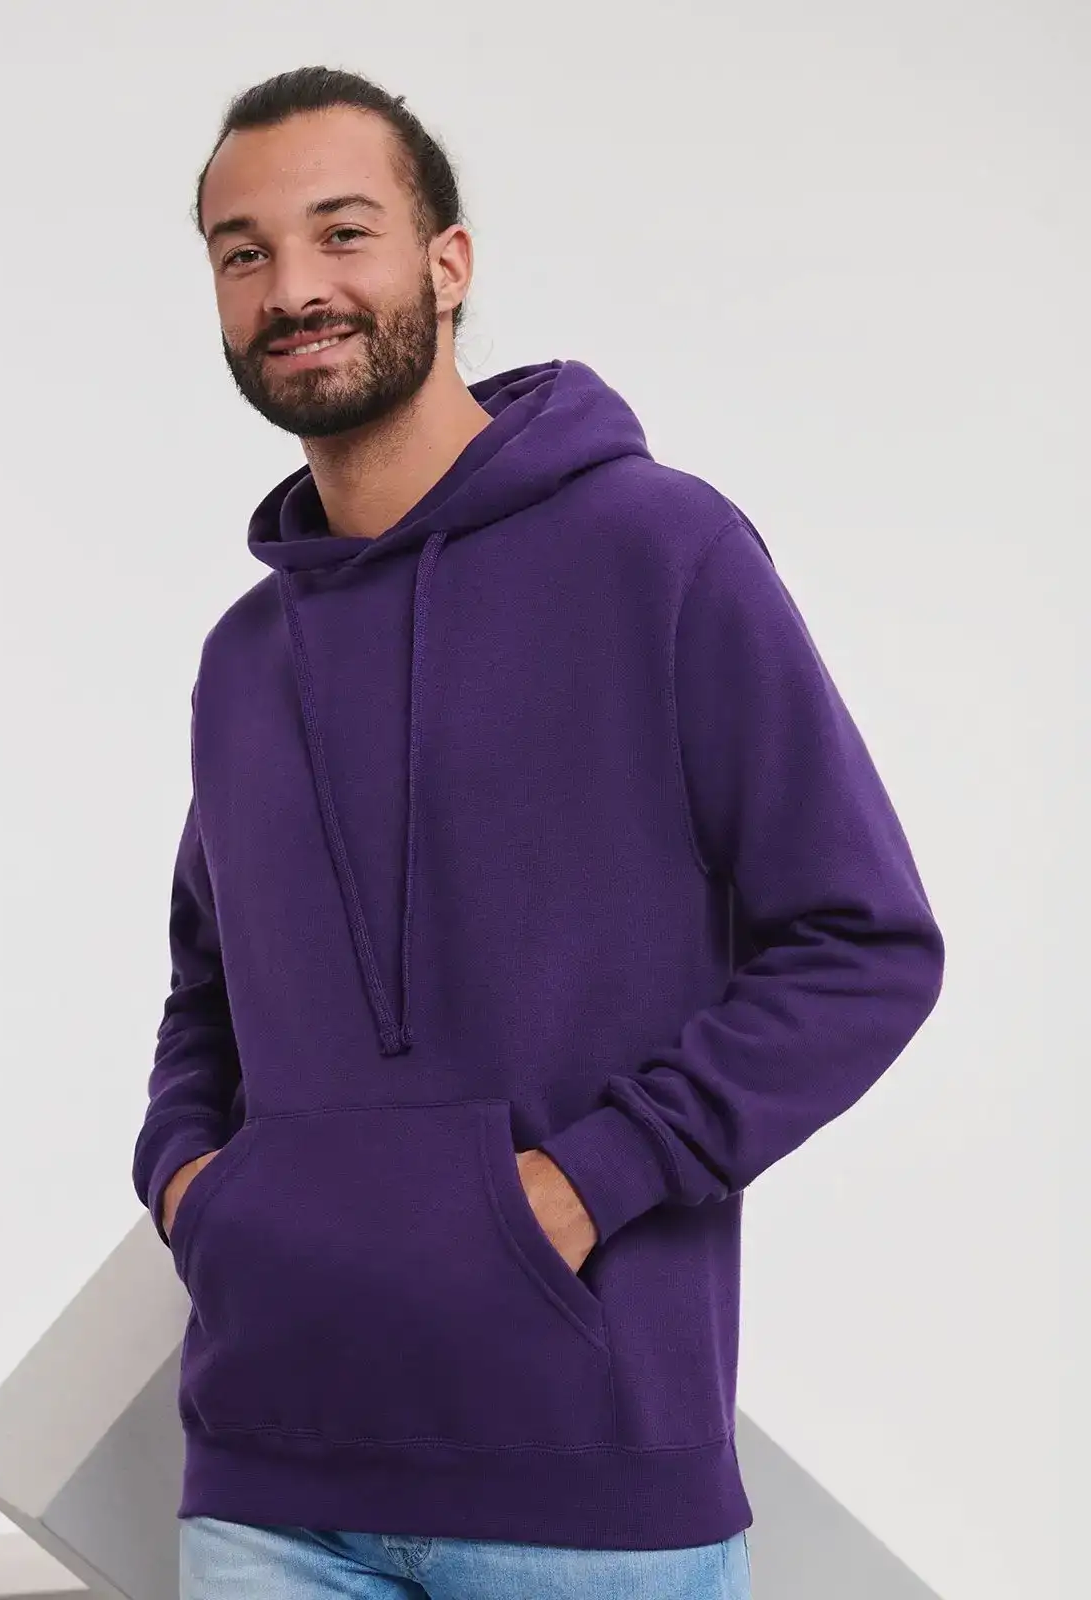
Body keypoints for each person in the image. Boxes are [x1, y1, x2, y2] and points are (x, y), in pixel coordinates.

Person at [131, 64, 945, 1600]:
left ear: (448, 263)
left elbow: (863, 945)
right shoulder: (246, 657)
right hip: (263, 1483)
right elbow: (207, 993)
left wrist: (579, 1188)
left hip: (590, 1492)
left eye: (342, 232)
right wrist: (191, 1186)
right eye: (244, 253)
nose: (292, 288)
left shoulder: (660, 552)